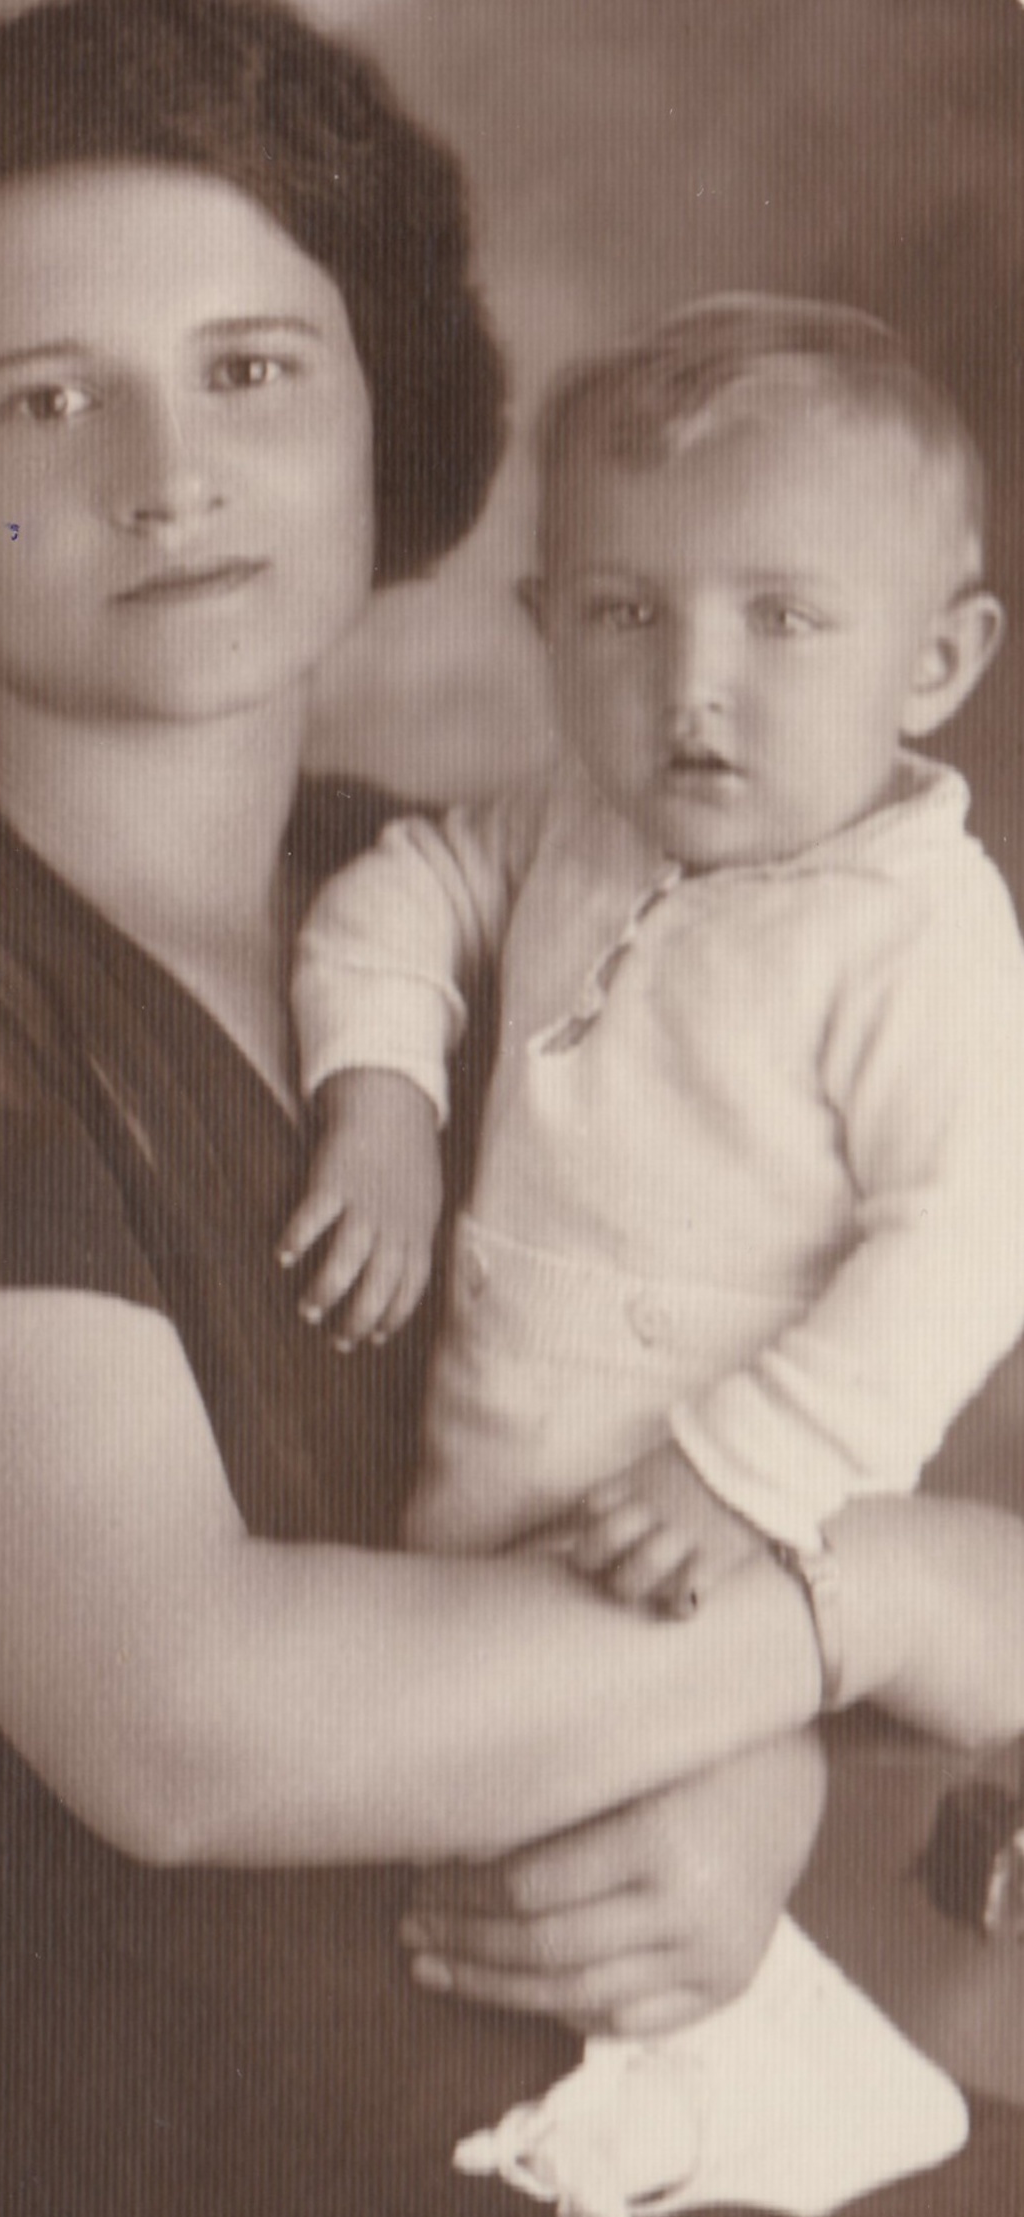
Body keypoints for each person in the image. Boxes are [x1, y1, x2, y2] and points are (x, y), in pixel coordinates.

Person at [0, 6, 1024, 2217]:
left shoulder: (493, 897)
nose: (173, 474)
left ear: (380, 406)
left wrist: (766, 1769)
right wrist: (866, 1601)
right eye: (45, 401)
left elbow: (681, 1464)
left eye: (255, 369)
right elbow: (201, 1730)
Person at [286, 296, 1024, 1591]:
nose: (692, 686)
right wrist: (382, 1094)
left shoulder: (918, 934)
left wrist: (742, 1472)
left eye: (781, 618)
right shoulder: (577, 818)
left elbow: (973, 1249)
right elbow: (406, 888)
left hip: (728, 1557)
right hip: (471, 1536)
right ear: (546, 626)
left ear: (937, 660)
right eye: (626, 613)